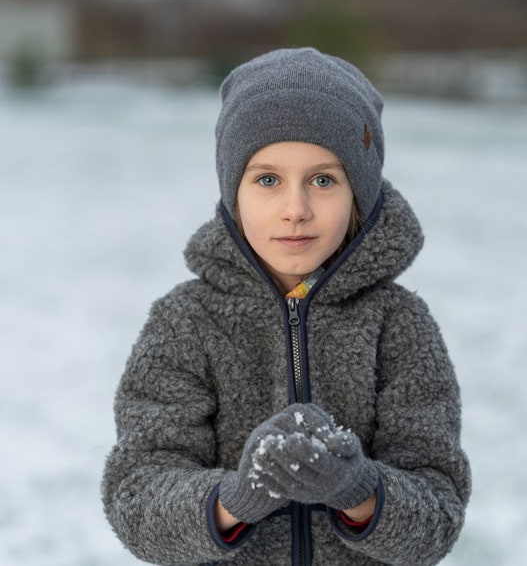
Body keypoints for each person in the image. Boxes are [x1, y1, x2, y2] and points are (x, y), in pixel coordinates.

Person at [101, 47, 471, 566]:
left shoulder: (399, 326)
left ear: (359, 193)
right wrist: (237, 500)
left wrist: (356, 489)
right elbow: (136, 497)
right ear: (234, 191)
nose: (295, 209)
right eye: (267, 179)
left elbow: (438, 513)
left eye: (323, 179)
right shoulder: (184, 322)